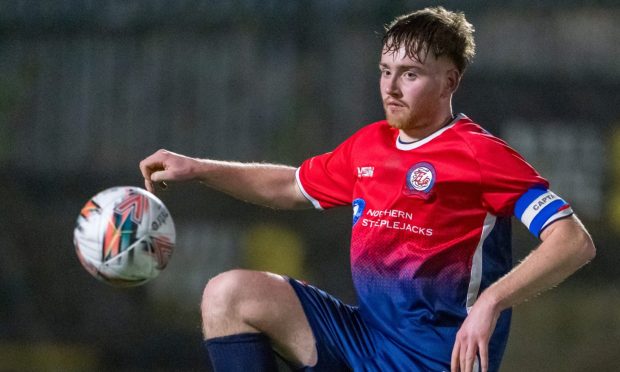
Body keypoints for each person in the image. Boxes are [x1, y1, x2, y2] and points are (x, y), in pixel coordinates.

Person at [139, 6, 595, 372]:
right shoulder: (370, 144)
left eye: (410, 74)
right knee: (228, 293)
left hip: (437, 360)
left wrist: (492, 302)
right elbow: (289, 185)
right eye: (385, 70)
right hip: (362, 341)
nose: (391, 87)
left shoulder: (479, 154)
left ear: (450, 81)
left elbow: (573, 240)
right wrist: (199, 168)